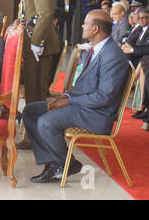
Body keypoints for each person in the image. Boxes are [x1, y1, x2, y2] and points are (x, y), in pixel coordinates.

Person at [21, 10, 129, 183]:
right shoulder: (97, 50)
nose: (82, 26)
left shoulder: (112, 56)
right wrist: (64, 96)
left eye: (85, 23)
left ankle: (64, 164)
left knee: (46, 122)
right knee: (31, 111)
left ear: (95, 28)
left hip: (96, 114)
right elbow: (82, 86)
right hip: (82, 106)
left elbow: (104, 97)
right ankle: (56, 162)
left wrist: (68, 101)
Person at [17, 0, 61, 104]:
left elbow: (45, 14)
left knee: (35, 92)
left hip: (39, 44)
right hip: (33, 40)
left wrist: (37, 42)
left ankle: (35, 127)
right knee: (31, 89)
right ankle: (32, 124)